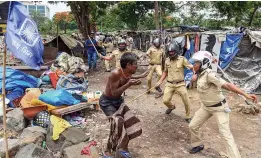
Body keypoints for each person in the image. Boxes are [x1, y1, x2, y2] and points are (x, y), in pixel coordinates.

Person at [188, 51, 257, 157]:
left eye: (196, 63)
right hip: (206, 107)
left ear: (203, 64)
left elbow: (228, 85)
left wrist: (246, 95)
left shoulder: (210, 75)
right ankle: (198, 144)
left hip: (219, 108)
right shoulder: (199, 74)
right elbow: (198, 67)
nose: (194, 65)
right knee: (193, 125)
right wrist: (195, 75)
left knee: (225, 134)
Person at [99, 52, 148, 157]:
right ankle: (108, 150)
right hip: (107, 102)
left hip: (118, 101)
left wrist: (143, 76)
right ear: (128, 65)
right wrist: (129, 84)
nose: (137, 66)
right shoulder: (115, 73)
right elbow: (114, 92)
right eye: (135, 64)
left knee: (130, 122)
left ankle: (123, 148)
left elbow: (129, 78)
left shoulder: (128, 72)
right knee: (117, 123)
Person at [157, 42, 196, 123]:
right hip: (169, 84)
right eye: (169, 52)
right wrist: (160, 81)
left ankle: (188, 116)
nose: (171, 53)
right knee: (165, 100)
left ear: (176, 51)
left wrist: (195, 74)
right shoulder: (167, 60)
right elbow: (165, 72)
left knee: (186, 100)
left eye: (172, 52)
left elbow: (192, 67)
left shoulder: (182, 59)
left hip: (180, 84)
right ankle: (171, 107)